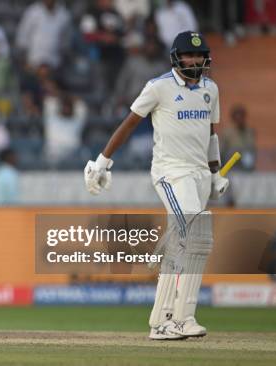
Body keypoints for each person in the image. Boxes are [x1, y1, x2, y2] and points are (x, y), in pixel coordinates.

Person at [84, 31, 228, 340]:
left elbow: (211, 135)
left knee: (186, 243)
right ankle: (183, 319)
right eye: (189, 55)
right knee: (198, 234)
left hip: (199, 174)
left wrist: (215, 174)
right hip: (170, 173)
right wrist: (102, 162)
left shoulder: (210, 90)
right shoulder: (159, 87)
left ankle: (162, 322)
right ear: (177, 57)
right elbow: (129, 123)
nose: (195, 60)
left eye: (199, 55)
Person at [15, 0, 71, 69]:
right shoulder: (32, 11)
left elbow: (65, 41)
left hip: (54, 63)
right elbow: (22, 37)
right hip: (34, 61)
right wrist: (24, 60)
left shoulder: (64, 15)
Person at [221, 104, 256, 170]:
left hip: (244, 158)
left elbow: (252, 148)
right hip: (231, 159)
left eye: (241, 117)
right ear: (234, 118)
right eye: (237, 118)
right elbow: (222, 150)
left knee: (248, 157)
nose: (240, 120)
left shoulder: (249, 132)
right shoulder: (227, 132)